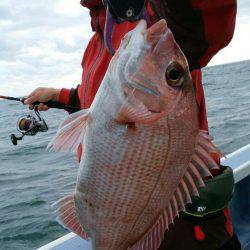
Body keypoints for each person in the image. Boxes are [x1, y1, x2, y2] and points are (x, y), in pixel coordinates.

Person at [25, 1, 241, 249]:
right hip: (119, 214)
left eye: (173, 76)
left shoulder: (160, 15)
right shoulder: (97, 41)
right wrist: (59, 96)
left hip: (190, 231)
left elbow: (211, 12)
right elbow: (100, 103)